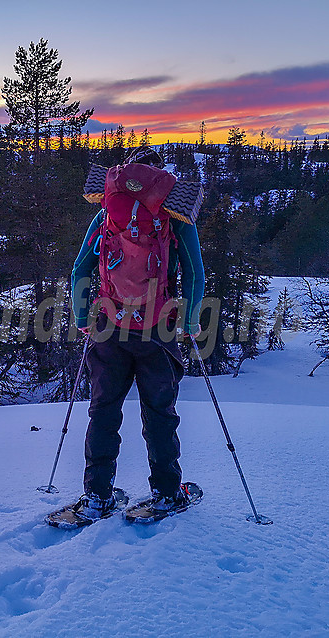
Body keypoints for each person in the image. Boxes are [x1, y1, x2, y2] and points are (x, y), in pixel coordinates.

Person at [70, 145, 205, 520]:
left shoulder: (106, 214)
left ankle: (97, 495)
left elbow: (80, 269)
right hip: (157, 328)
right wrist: (191, 321)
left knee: (103, 410)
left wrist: (83, 316)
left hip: (108, 326)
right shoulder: (174, 214)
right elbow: (195, 273)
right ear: (159, 178)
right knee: (159, 413)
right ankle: (166, 493)